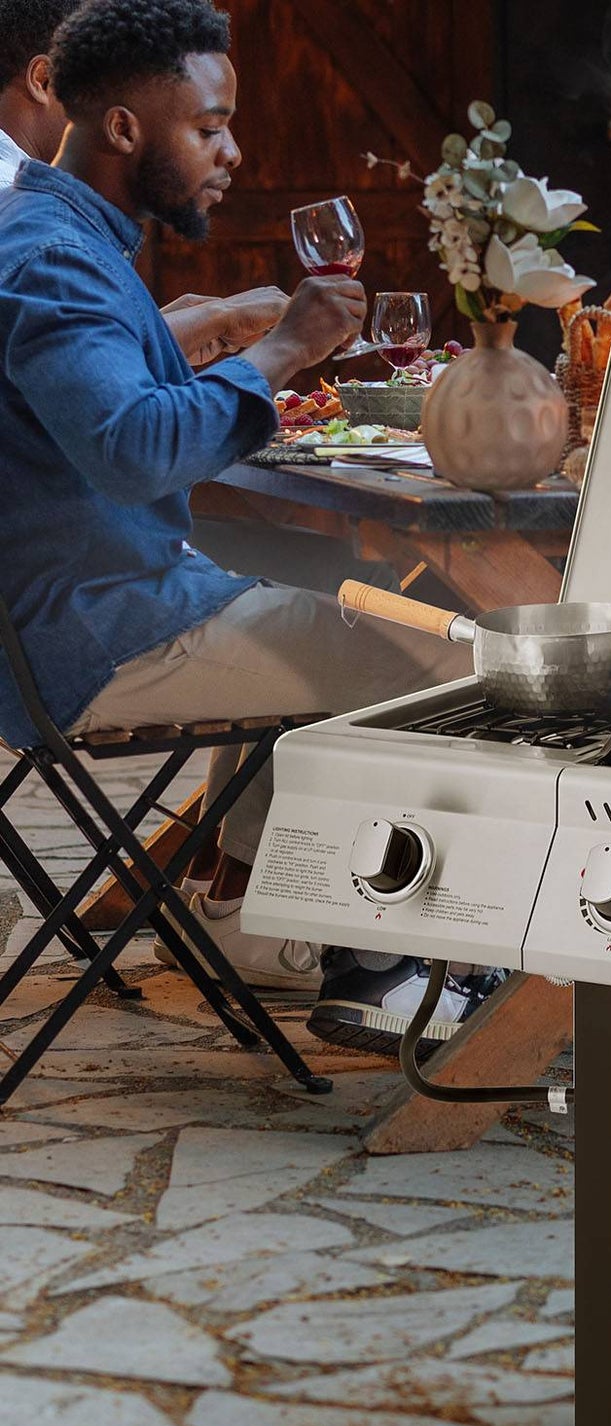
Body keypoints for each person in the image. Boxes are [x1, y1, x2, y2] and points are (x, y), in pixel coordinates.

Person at [0, 0, 487, 1054]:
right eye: (210, 126)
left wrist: (224, 341)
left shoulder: (57, 234)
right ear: (126, 128)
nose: (233, 151)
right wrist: (284, 351)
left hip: (80, 612)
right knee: (438, 659)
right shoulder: (52, 258)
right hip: (94, 635)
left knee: (342, 613)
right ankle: (378, 970)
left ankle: (252, 907)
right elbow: (131, 447)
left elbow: (96, 402)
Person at [0, 0, 283, 367]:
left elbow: (51, 348)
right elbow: (67, 369)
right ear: (44, 81)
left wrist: (167, 326)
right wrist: (274, 343)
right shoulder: (14, 200)